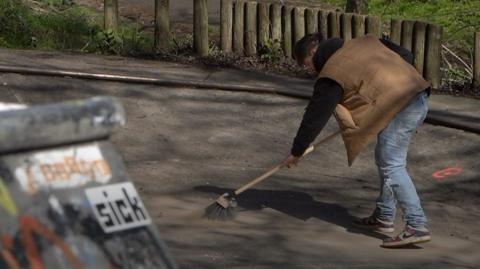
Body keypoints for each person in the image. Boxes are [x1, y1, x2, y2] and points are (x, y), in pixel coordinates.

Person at [281, 33, 431, 248]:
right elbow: (405, 55)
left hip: (402, 107)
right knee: (385, 159)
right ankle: (384, 216)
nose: (310, 70)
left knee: (392, 163)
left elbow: (315, 115)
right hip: (417, 95)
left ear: (313, 53)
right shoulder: (363, 42)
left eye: (306, 64)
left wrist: (297, 151)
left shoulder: (332, 72)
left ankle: (417, 225)